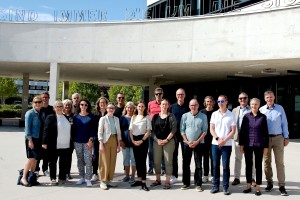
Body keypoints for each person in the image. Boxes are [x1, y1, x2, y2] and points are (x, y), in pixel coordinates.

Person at [259, 91, 289, 196]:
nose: (269, 99)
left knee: (279, 162)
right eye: (267, 97)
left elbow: (284, 123)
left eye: (271, 97)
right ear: (265, 98)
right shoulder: (261, 110)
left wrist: (286, 137)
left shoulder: (280, 108)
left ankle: (281, 185)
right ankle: (269, 183)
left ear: (274, 97)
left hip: (278, 138)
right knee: (267, 162)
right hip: (265, 140)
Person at [239, 98, 269, 196]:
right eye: (252, 104)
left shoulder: (263, 117)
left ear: (259, 105)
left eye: (256, 104)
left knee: (258, 166)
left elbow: (265, 133)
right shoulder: (246, 117)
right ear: (250, 105)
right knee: (248, 165)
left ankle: (258, 186)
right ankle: (248, 184)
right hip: (248, 144)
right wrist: (241, 144)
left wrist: (266, 147)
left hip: (259, 145)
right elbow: (242, 132)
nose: (253, 106)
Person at [210, 95, 236, 195]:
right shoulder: (214, 114)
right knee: (215, 166)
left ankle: (225, 186)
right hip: (215, 144)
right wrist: (217, 138)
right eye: (218, 101)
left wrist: (224, 140)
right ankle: (215, 186)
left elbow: (233, 130)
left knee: (225, 167)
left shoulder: (231, 114)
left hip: (227, 144)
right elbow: (211, 128)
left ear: (226, 102)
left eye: (222, 101)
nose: (220, 103)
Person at [180, 99, 208, 192]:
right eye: (191, 105)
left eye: (195, 105)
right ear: (189, 106)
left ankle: (198, 184)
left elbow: (204, 131)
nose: (193, 107)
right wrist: (187, 141)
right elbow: (182, 130)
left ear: (198, 105)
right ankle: (186, 183)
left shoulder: (203, 116)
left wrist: (197, 141)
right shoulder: (185, 116)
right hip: (186, 144)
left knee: (198, 164)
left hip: (199, 143)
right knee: (186, 164)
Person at [42, 100, 71, 185]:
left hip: (65, 144)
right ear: (54, 108)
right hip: (54, 144)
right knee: (53, 162)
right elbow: (45, 130)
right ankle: (53, 178)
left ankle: (62, 178)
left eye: (60, 106)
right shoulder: (51, 117)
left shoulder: (66, 117)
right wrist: (44, 142)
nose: (59, 108)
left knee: (63, 162)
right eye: (57, 106)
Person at [150, 99, 176, 189]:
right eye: (162, 104)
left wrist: (167, 139)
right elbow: (151, 131)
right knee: (156, 162)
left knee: (168, 162)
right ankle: (158, 180)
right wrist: (157, 140)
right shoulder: (155, 117)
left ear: (168, 106)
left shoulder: (171, 116)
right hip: (157, 142)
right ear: (160, 106)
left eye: (166, 104)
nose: (164, 106)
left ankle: (167, 181)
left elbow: (174, 129)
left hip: (168, 142)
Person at [231, 92, 255, 186]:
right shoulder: (235, 110)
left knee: (250, 159)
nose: (243, 100)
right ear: (238, 100)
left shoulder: (252, 109)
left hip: (250, 138)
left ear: (247, 99)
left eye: (244, 98)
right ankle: (237, 178)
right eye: (241, 98)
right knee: (238, 158)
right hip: (238, 138)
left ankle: (252, 178)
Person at [98, 102, 121, 190]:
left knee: (112, 161)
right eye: (109, 108)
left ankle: (109, 179)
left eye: (112, 108)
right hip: (105, 141)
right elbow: (100, 132)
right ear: (106, 109)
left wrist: (119, 144)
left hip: (114, 140)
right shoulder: (103, 119)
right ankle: (103, 181)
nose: (111, 109)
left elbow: (119, 132)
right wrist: (101, 143)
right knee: (104, 161)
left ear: (114, 110)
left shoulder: (116, 119)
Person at [129, 100, 152, 191]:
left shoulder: (147, 117)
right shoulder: (133, 117)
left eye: (142, 106)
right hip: (134, 140)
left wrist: (142, 140)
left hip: (143, 140)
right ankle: (138, 180)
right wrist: (133, 140)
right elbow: (130, 130)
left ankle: (143, 182)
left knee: (142, 162)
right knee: (137, 161)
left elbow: (148, 130)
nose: (140, 108)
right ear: (137, 107)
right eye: (139, 106)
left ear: (144, 108)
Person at [21, 96, 43, 187]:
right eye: (35, 102)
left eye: (39, 102)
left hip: (39, 139)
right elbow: (27, 129)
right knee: (31, 158)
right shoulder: (29, 113)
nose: (37, 103)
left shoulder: (40, 113)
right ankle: (24, 178)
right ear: (33, 103)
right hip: (31, 139)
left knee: (36, 159)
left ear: (41, 103)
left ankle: (32, 178)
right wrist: (30, 140)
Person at [73, 98, 95, 187]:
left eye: (85, 105)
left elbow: (93, 130)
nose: (84, 106)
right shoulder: (75, 117)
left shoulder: (91, 117)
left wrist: (90, 141)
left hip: (87, 142)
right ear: (79, 106)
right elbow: (73, 130)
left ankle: (88, 178)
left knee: (88, 160)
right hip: (77, 141)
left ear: (88, 106)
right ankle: (81, 177)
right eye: (82, 104)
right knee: (80, 160)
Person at [169, 88, 188, 184]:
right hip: (174, 136)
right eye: (178, 94)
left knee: (185, 157)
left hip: (186, 136)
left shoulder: (188, 106)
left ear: (184, 95)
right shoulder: (172, 107)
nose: (180, 96)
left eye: (182, 94)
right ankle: (174, 175)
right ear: (176, 96)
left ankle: (185, 176)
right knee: (174, 156)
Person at [35, 91, 55, 177]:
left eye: (46, 97)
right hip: (38, 134)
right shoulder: (38, 109)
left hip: (48, 135)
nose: (44, 99)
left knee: (47, 153)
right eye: (43, 97)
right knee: (38, 153)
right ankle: (36, 169)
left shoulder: (52, 109)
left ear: (48, 98)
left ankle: (45, 169)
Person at [147, 87, 166, 175]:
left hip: (162, 130)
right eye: (156, 94)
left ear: (162, 94)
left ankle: (163, 168)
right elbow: (148, 115)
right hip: (152, 130)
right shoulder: (150, 104)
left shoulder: (165, 104)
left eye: (160, 94)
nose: (158, 95)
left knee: (162, 150)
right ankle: (151, 167)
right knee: (151, 150)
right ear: (154, 95)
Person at [91, 97, 108, 182]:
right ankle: (95, 173)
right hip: (96, 138)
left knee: (105, 156)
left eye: (104, 102)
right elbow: (92, 127)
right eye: (101, 103)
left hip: (106, 138)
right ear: (98, 104)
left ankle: (104, 173)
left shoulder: (109, 114)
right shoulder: (94, 114)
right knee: (95, 156)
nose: (102, 104)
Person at [119, 101, 136, 183]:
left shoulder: (136, 117)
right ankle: (126, 176)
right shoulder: (122, 118)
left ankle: (133, 176)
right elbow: (119, 131)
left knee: (133, 159)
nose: (129, 109)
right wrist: (120, 141)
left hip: (134, 142)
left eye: (131, 107)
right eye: (128, 107)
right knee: (126, 159)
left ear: (133, 109)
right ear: (126, 108)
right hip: (124, 142)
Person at [200, 96, 215, 183]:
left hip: (213, 138)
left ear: (213, 102)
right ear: (205, 103)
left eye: (210, 101)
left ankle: (213, 175)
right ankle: (205, 175)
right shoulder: (201, 112)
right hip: (204, 138)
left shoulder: (216, 112)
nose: (209, 103)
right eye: (207, 101)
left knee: (213, 157)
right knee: (205, 157)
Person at [62, 99, 74, 180]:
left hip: (70, 140)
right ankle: (62, 173)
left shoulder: (74, 116)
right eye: (65, 105)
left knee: (69, 157)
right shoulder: (60, 116)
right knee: (62, 157)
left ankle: (67, 172)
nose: (67, 106)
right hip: (61, 140)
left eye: (69, 105)